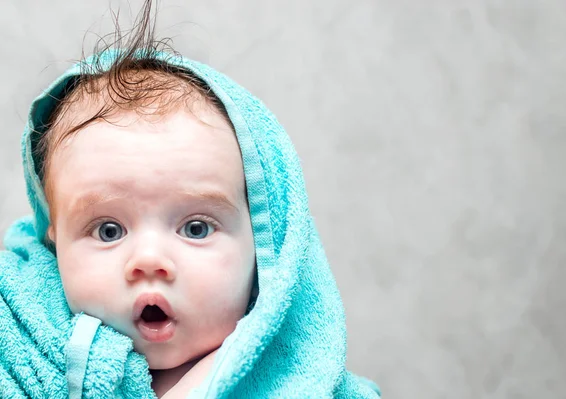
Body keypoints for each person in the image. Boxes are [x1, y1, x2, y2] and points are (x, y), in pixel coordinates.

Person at [0, 1, 380, 397]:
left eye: (196, 228)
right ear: (54, 243)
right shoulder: (21, 352)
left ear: (265, 250)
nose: (149, 260)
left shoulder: (309, 384)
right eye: (109, 230)